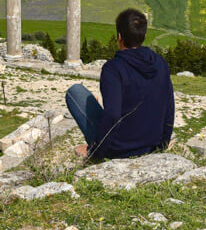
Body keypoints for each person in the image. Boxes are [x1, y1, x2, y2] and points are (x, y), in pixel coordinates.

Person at [64, 8, 174, 160]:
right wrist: (162, 145)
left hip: (120, 149)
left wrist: (94, 151)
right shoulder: (160, 63)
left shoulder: (113, 69)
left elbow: (113, 115)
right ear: (144, 35)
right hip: (152, 144)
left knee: (75, 92)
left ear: (119, 36)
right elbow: (169, 107)